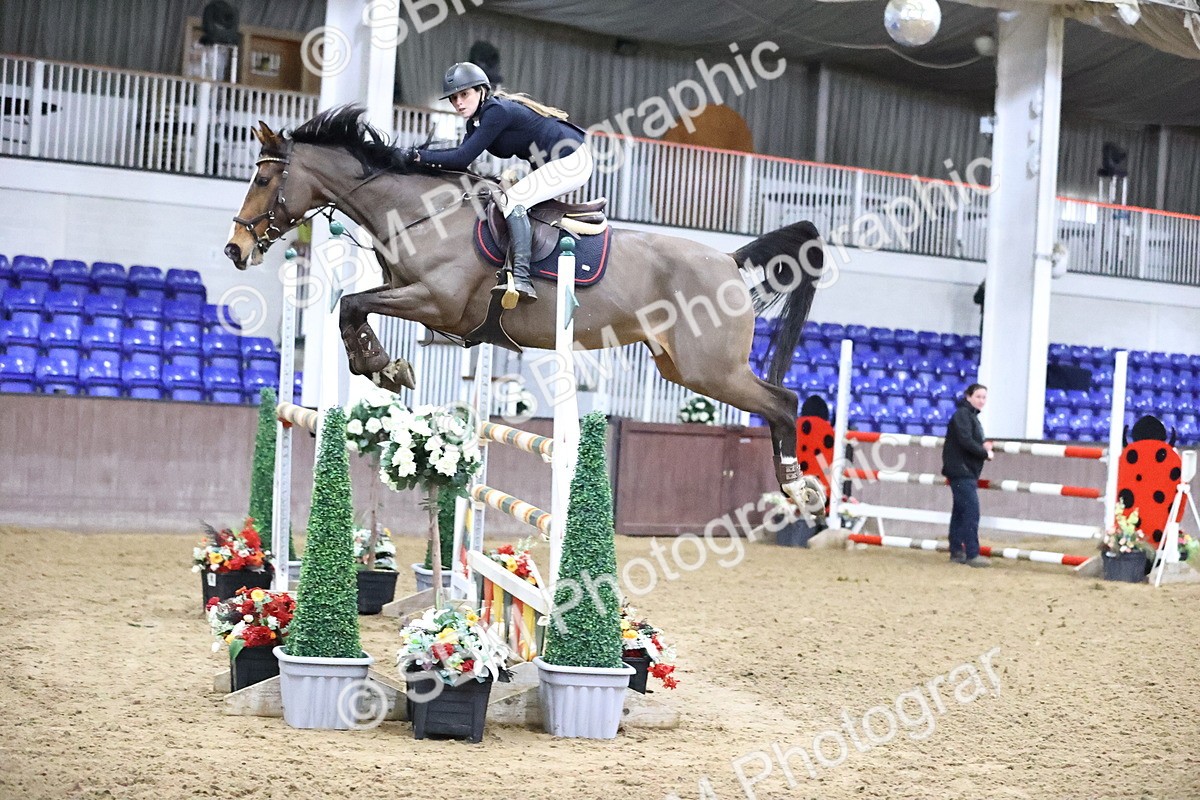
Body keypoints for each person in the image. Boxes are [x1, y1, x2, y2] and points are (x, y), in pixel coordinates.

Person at [409, 62, 594, 302]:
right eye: (453, 99)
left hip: (571, 159)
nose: (458, 103)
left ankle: (521, 278)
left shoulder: (496, 112)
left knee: (513, 200)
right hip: (554, 162)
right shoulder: (475, 121)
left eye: (464, 95)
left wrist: (416, 156)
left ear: (481, 90)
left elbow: (460, 158)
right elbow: (461, 160)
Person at [941, 383, 994, 567]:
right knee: (971, 511)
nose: (981, 401)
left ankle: (956, 550)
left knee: (960, 511)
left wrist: (982, 448)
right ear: (968, 396)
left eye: (983, 397)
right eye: (978, 396)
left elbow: (968, 440)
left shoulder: (966, 415)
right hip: (962, 471)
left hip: (961, 470)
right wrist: (984, 452)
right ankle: (972, 553)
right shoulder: (964, 415)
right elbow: (966, 441)